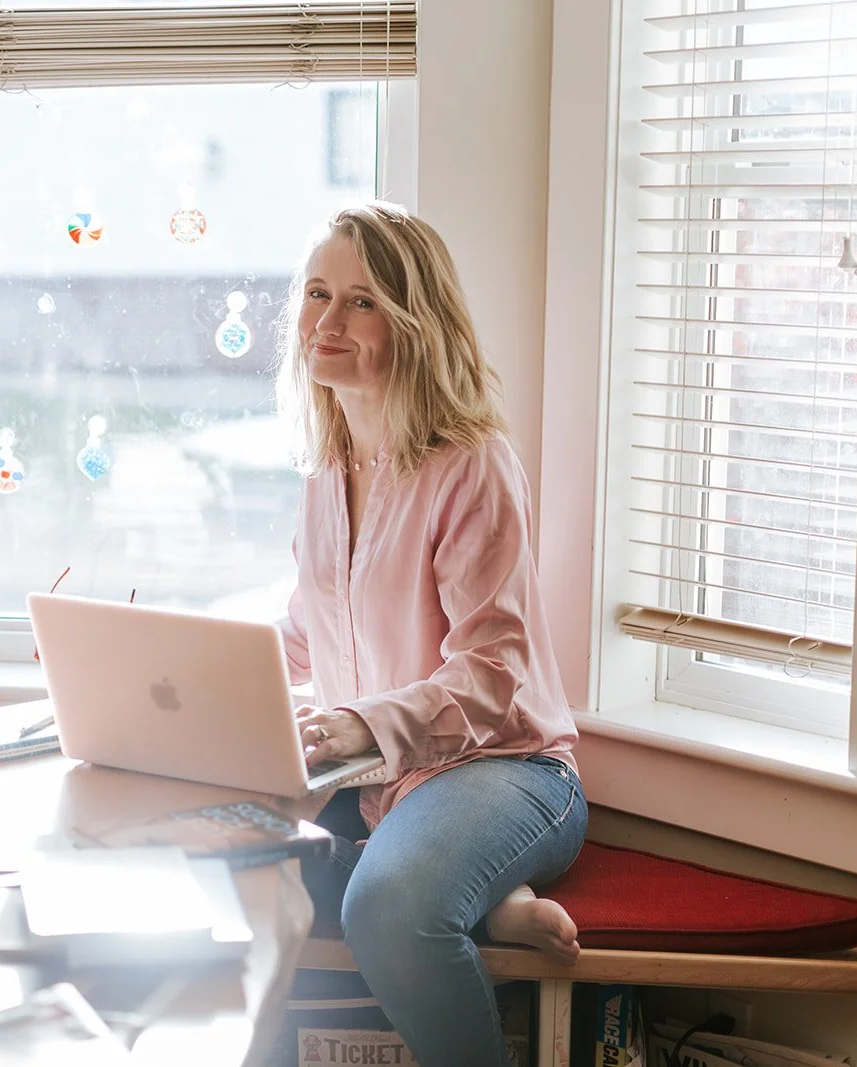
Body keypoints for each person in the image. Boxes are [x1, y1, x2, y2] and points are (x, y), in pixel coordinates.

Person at [276, 202, 587, 1066]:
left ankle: (469, 883)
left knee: (390, 906)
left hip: (507, 767)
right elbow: (305, 636)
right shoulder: (327, 466)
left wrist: (362, 723)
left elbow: (492, 673)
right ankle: (490, 897)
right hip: (383, 776)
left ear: (415, 324)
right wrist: (181, 677)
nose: (327, 322)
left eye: (362, 302)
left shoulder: (471, 463)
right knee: (225, 854)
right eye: (315, 293)